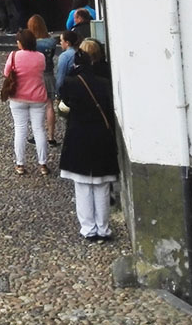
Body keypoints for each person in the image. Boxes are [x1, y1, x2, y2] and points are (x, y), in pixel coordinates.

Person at [58, 46, 119, 241]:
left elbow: (64, 107)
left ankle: (88, 228)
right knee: (101, 185)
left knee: (83, 186)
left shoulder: (70, 82)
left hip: (79, 136)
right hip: (102, 136)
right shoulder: (103, 83)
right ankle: (103, 228)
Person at [4, 29, 50, 176]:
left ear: (21, 43)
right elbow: (42, 70)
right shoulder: (40, 57)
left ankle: (20, 164)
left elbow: (6, 73)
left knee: (20, 129)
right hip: (37, 96)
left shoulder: (14, 56)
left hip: (18, 97)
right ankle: (42, 163)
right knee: (39, 129)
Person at [27, 14, 59, 145]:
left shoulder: (31, 43)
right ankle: (51, 136)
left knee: (36, 108)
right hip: (49, 74)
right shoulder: (51, 42)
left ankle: (38, 134)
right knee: (50, 106)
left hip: (36, 76)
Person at [56, 28, 82, 97]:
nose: (60, 43)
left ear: (67, 43)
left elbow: (61, 77)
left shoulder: (64, 56)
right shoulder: (80, 53)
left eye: (61, 40)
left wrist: (58, 93)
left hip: (69, 90)